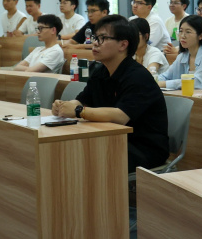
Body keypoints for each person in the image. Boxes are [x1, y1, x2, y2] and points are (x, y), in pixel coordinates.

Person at [51, 15, 169, 173]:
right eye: (95, 38)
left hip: (142, 148)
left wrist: (78, 111)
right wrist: (64, 106)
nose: (95, 43)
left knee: (81, 156)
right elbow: (82, 99)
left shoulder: (138, 76)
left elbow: (121, 116)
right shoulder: (101, 71)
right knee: (65, 148)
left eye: (103, 38)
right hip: (112, 138)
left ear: (123, 45)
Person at [159, 14, 202, 92]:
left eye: (188, 32)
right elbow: (165, 76)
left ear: (200, 36)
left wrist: (164, 84)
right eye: (180, 31)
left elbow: (198, 84)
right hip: (187, 97)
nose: (182, 36)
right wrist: (154, 81)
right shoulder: (182, 56)